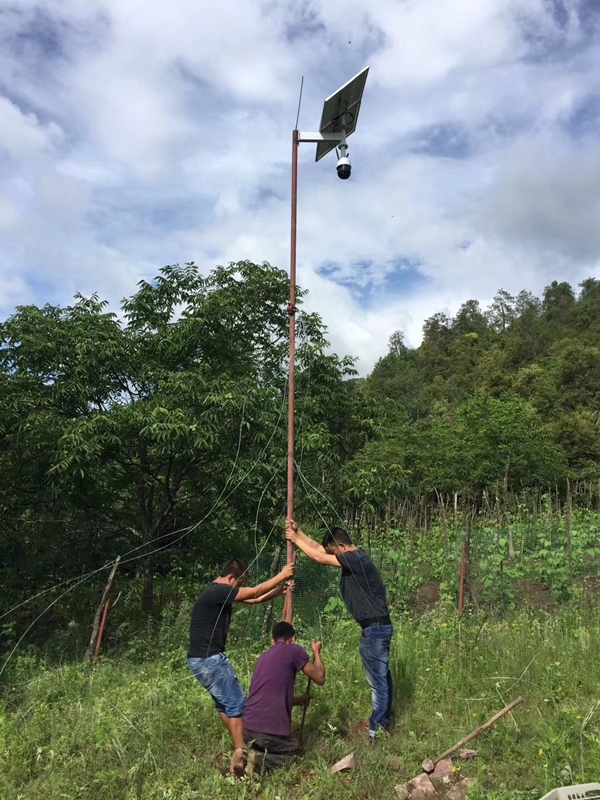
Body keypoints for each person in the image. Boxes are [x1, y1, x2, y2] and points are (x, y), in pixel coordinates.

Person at [286, 520, 393, 742]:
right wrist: (300, 533)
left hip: (375, 629)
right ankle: (381, 720)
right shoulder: (354, 557)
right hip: (374, 628)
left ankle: (377, 729)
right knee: (381, 677)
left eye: (335, 551)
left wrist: (295, 540)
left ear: (342, 548)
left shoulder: (356, 559)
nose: (333, 555)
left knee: (378, 681)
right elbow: (320, 550)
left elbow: (319, 557)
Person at [187, 557, 295, 776]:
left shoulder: (217, 592)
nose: (239, 588)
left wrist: (278, 592)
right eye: (239, 583)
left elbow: (253, 599)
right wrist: (282, 575)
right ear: (231, 578)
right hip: (210, 660)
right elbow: (253, 591)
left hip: (198, 660)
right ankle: (240, 755)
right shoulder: (218, 591)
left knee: (224, 706)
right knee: (236, 704)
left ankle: (241, 747)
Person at [243, 621, 325, 773]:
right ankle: (259, 760)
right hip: (267, 732)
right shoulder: (293, 650)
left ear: (272, 640)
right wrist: (316, 652)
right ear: (293, 639)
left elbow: (268, 696)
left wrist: (298, 700)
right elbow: (320, 677)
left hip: (246, 728)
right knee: (296, 755)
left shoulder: (262, 657)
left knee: (263, 744)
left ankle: (247, 754)